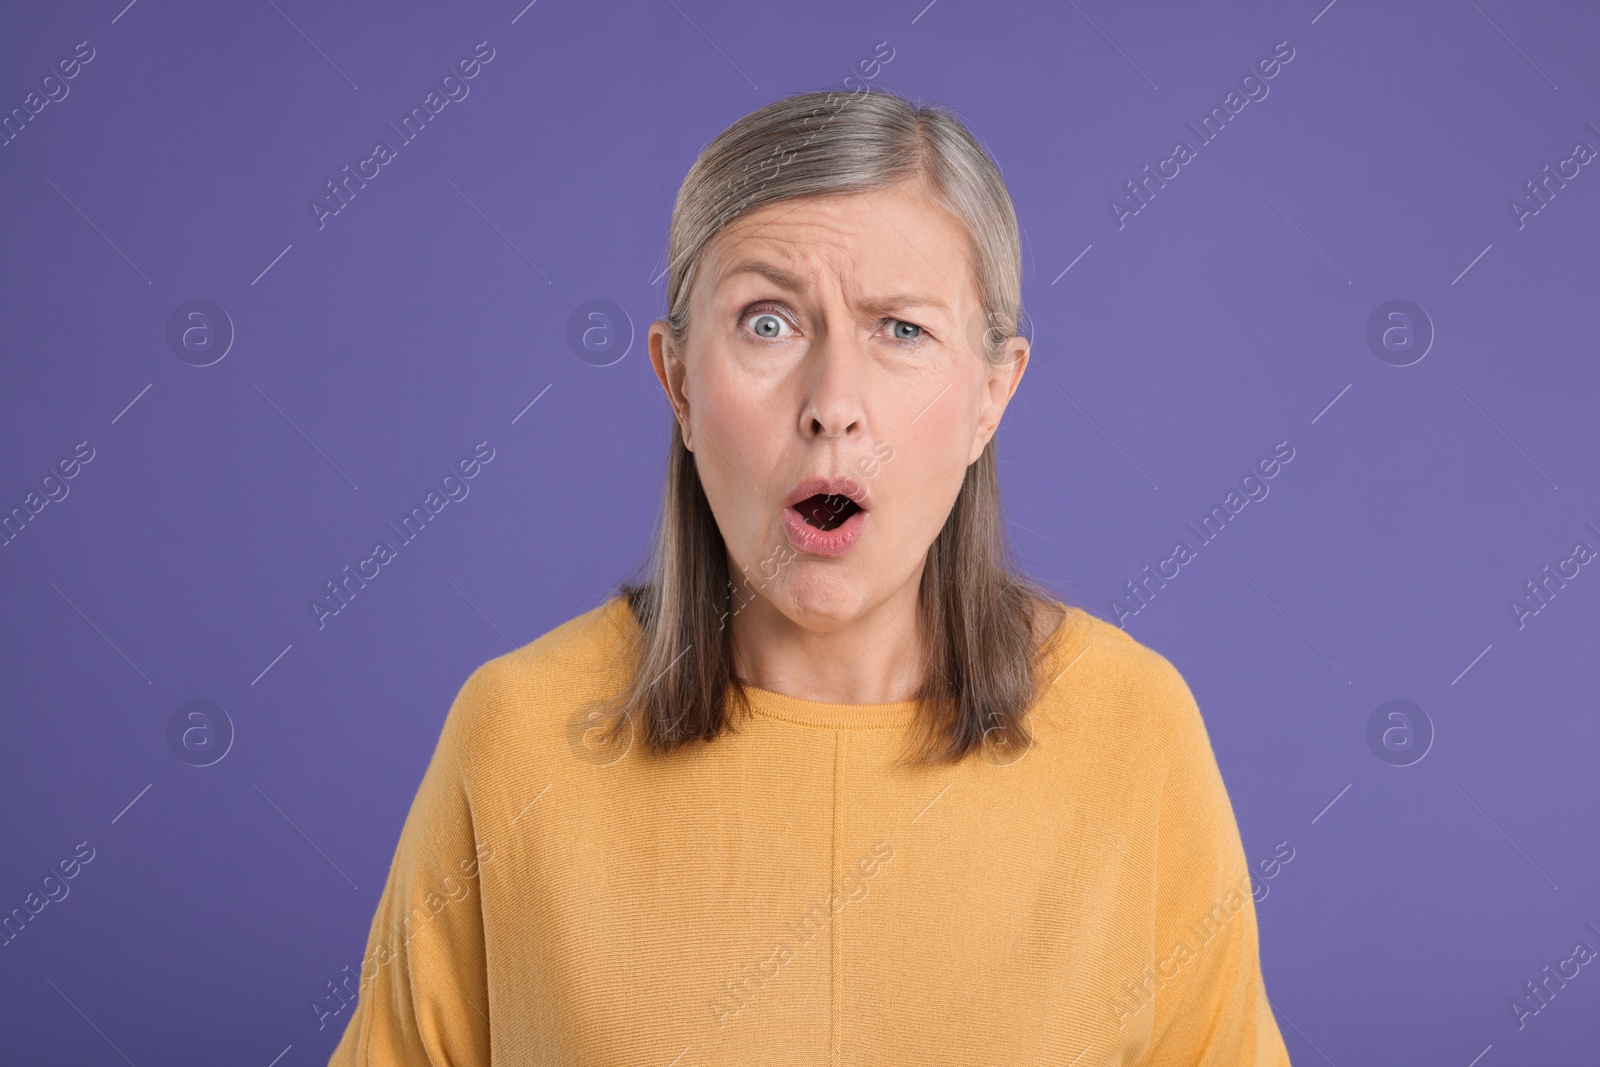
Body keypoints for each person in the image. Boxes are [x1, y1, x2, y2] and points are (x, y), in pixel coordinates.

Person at [326, 86, 1294, 1065]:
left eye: (900, 329)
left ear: (991, 394)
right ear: (679, 385)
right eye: (767, 323)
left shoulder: (1133, 727)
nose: (833, 404)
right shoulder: (515, 736)